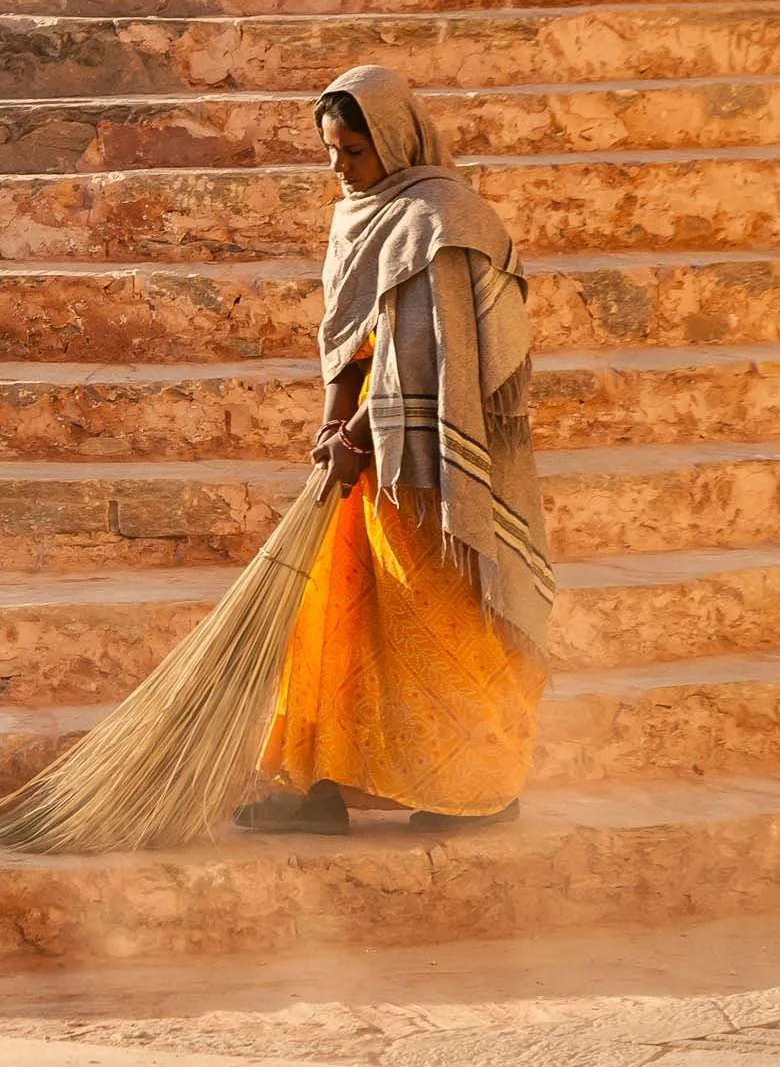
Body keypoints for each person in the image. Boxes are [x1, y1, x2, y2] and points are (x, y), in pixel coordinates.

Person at [234, 65, 554, 836]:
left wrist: (365, 429)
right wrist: (331, 424)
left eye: (352, 151)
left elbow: (444, 358)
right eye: (330, 152)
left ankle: (477, 788)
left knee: (433, 621)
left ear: (395, 140)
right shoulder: (356, 218)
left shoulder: (444, 220)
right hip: (366, 464)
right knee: (335, 616)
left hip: (431, 472)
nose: (339, 168)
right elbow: (346, 344)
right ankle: (321, 787)